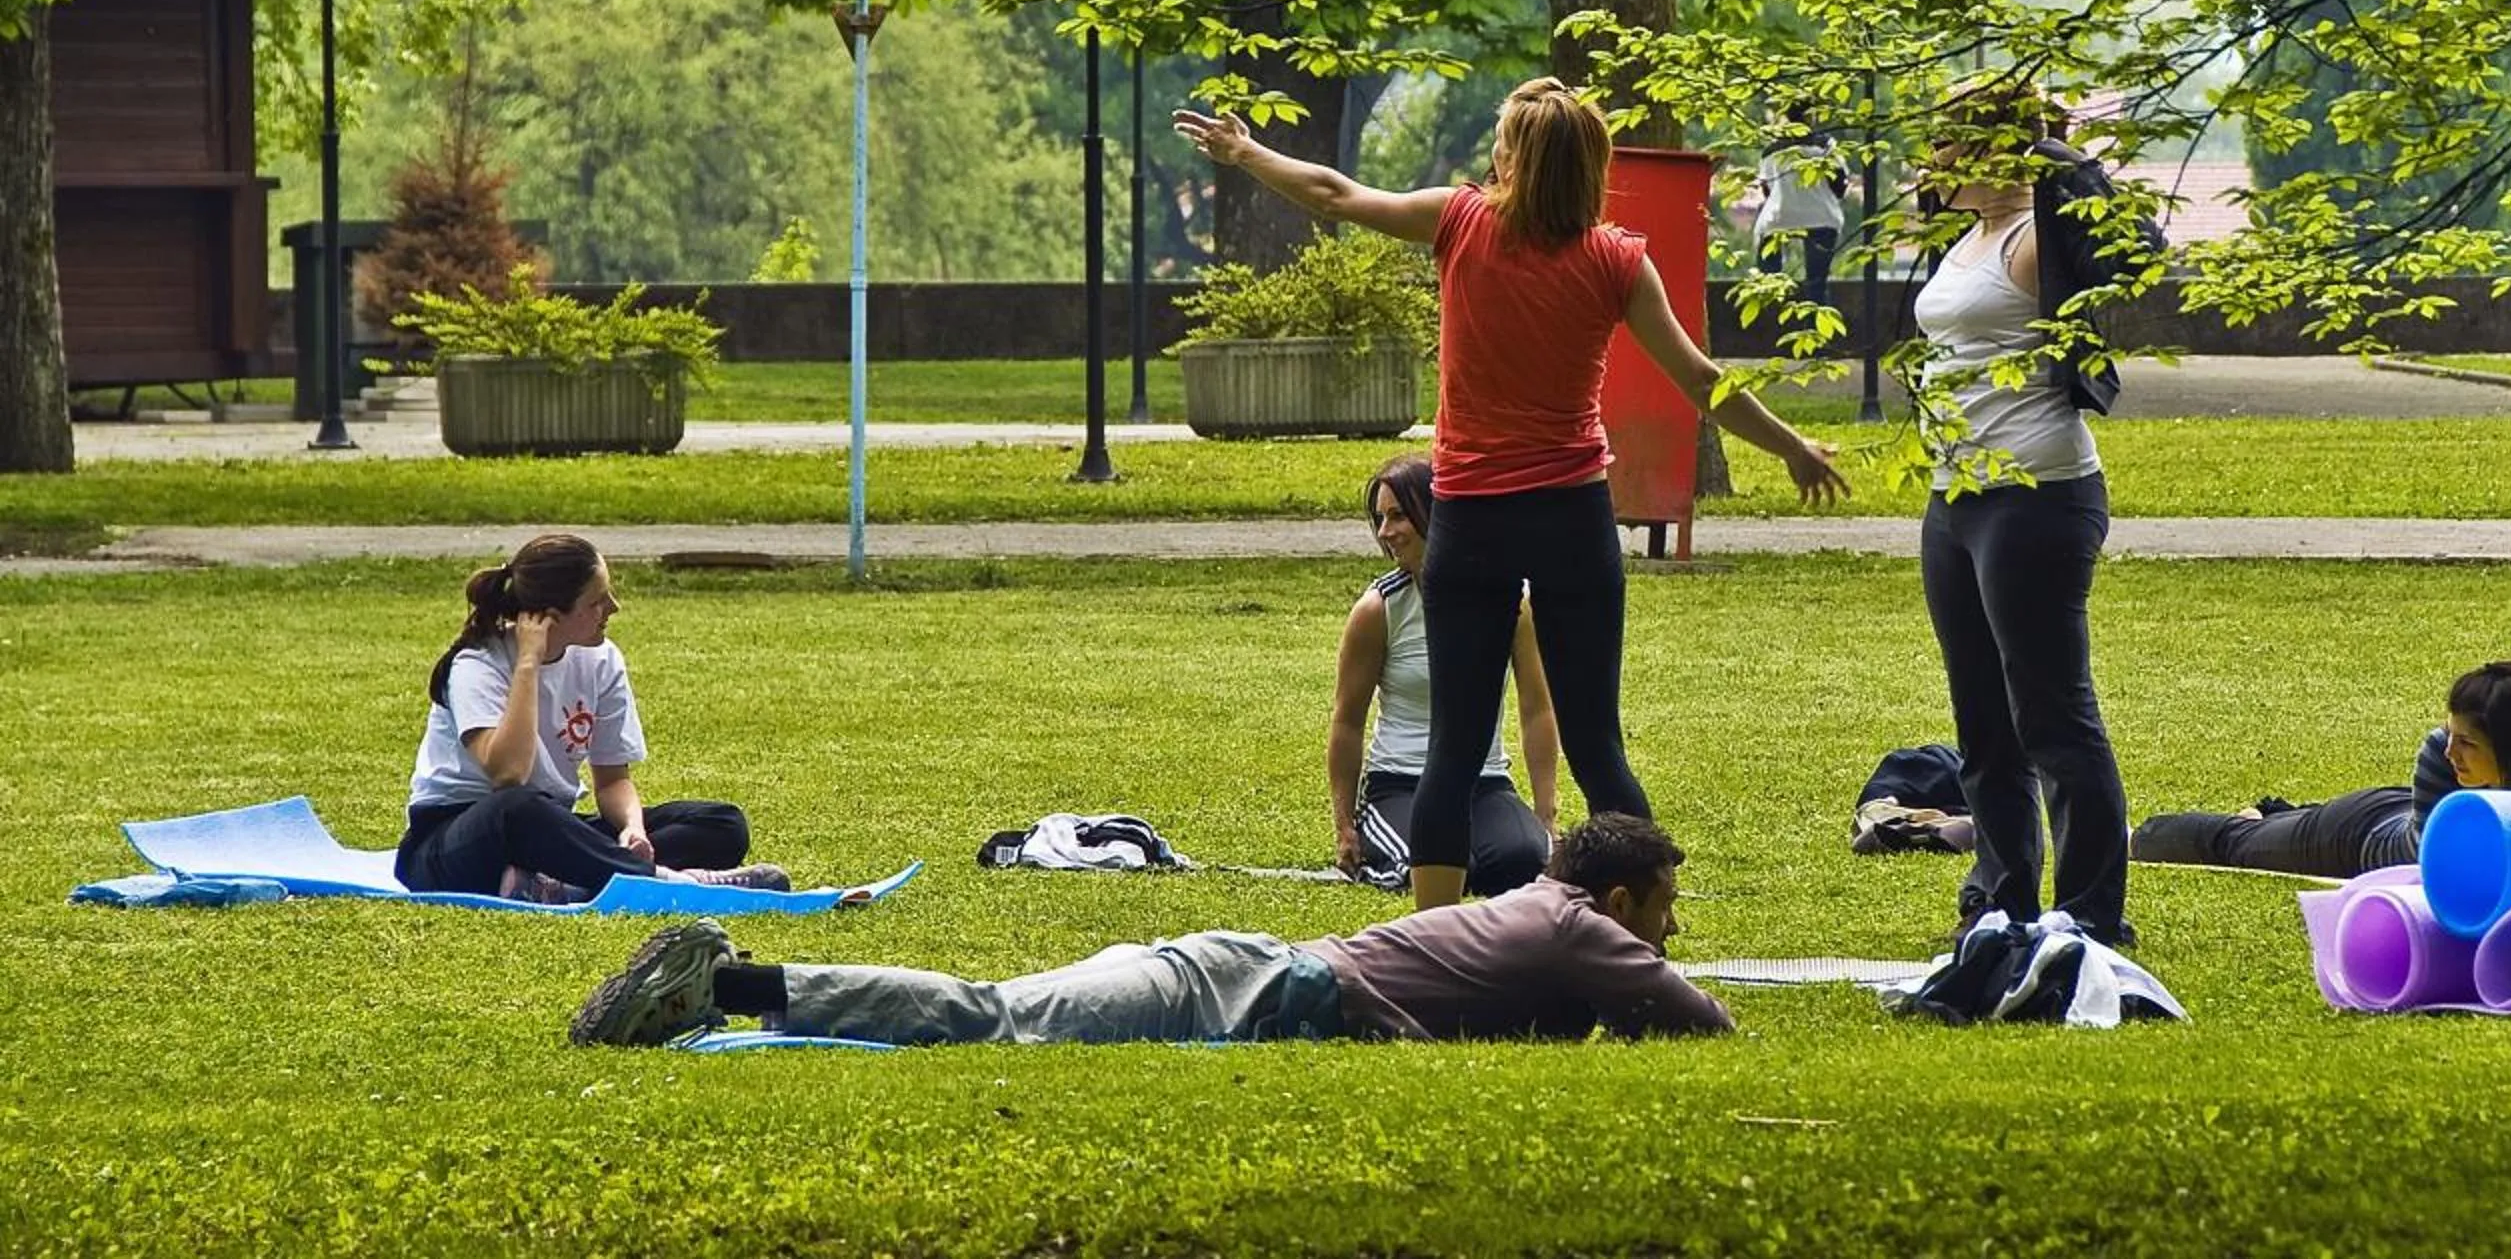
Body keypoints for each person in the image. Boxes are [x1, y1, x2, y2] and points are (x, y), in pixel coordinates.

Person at [1176, 79, 1848, 912]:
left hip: (1473, 521)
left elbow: (1336, 194)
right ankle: (1645, 928)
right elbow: (1700, 381)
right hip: (1570, 517)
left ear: (1513, 159)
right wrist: (1794, 448)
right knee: (1598, 746)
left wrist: (1245, 153)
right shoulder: (1617, 260)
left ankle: (1431, 944)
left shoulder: (1460, 222)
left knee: (1453, 751)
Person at [570, 812, 1733, 1048]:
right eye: (1666, 911)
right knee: (992, 1017)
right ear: (1623, 900)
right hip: (1237, 987)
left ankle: (725, 984)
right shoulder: (1588, 927)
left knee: (996, 1008)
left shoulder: (1542, 911)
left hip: (1238, 971)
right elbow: (1707, 1026)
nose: (1669, 934)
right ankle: (722, 984)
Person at [1909, 84, 2132, 949]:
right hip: (1955, 497)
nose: (1930, 163)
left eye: (1944, 145)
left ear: (1986, 152)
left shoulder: (2045, 233)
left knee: (2053, 717)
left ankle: (2088, 916)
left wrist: (2061, 156)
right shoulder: (1970, 238)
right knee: (1983, 725)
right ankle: (2002, 900)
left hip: (2037, 495)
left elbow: (2131, 252)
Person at [397, 532, 786, 901]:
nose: (613, 608)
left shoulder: (602, 659)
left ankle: (564, 884)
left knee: (722, 824)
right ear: (551, 615)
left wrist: (632, 828)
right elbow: (508, 774)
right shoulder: (476, 665)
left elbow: (613, 780)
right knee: (518, 807)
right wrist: (529, 663)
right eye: (597, 601)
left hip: (548, 829)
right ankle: (670, 883)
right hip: (453, 844)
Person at [2127, 660, 2511, 880]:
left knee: (2277, 826)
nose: (2452, 751)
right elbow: (2435, 864)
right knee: (2238, 845)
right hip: (2356, 838)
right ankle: (2133, 838)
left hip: (2395, 811)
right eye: (2451, 735)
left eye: (2469, 743)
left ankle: (2275, 813)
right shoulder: (2440, 755)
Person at [1334, 455, 1558, 896]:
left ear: (1435, 513)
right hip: (1400, 783)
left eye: (1398, 516)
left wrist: (1545, 814)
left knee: (1527, 863)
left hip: (1486, 781)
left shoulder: (1511, 602)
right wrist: (1344, 826)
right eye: (1380, 519)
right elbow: (1346, 721)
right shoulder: (1378, 609)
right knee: (1428, 865)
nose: (1385, 532)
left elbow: (1537, 708)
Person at [1750, 106, 1846, 307]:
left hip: (1779, 216)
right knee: (1817, 282)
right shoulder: (1826, 146)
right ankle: (1815, 323)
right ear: (1812, 116)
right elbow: (1839, 184)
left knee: (1770, 278)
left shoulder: (1772, 151)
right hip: (1822, 216)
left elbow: (1767, 189)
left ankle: (1773, 306)